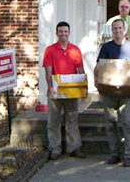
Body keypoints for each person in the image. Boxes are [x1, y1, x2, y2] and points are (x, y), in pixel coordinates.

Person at [94, 19, 130, 167]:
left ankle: (129, 155)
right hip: (109, 92)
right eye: (115, 29)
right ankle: (114, 153)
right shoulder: (106, 47)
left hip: (127, 93)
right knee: (110, 123)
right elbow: (99, 66)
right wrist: (96, 80)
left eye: (120, 28)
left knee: (127, 122)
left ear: (124, 29)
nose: (117, 31)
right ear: (112, 30)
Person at [42, 21, 86, 160]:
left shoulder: (75, 50)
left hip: (72, 91)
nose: (63, 34)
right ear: (56, 33)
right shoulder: (50, 50)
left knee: (72, 120)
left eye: (66, 31)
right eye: (61, 31)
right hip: (55, 90)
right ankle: (55, 149)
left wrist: (83, 88)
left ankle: (74, 148)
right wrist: (50, 88)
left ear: (69, 33)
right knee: (54, 121)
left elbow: (80, 71)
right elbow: (48, 71)